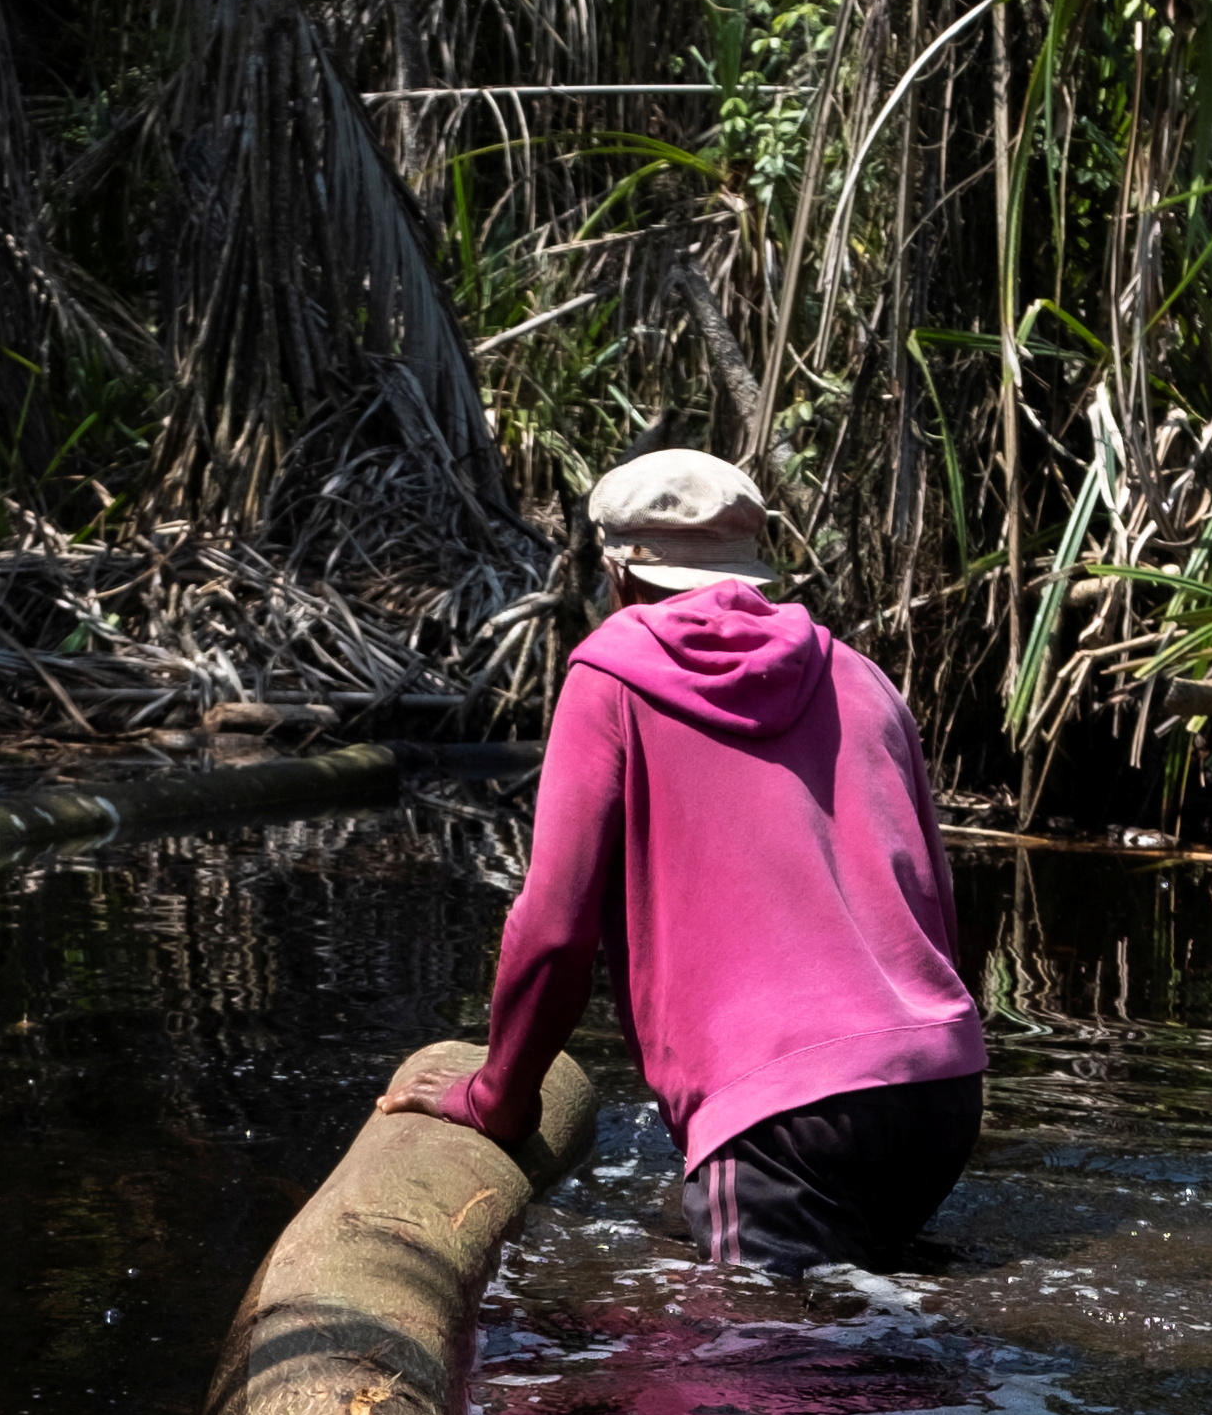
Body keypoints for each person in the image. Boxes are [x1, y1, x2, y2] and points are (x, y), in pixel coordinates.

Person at [387, 449, 988, 1270]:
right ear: (752, 565)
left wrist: (497, 1097)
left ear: (616, 572)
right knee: (870, 1339)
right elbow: (934, 901)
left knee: (749, 1378)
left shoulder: (611, 677)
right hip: (940, 1088)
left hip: (782, 1114)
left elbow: (555, 931)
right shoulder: (862, 678)